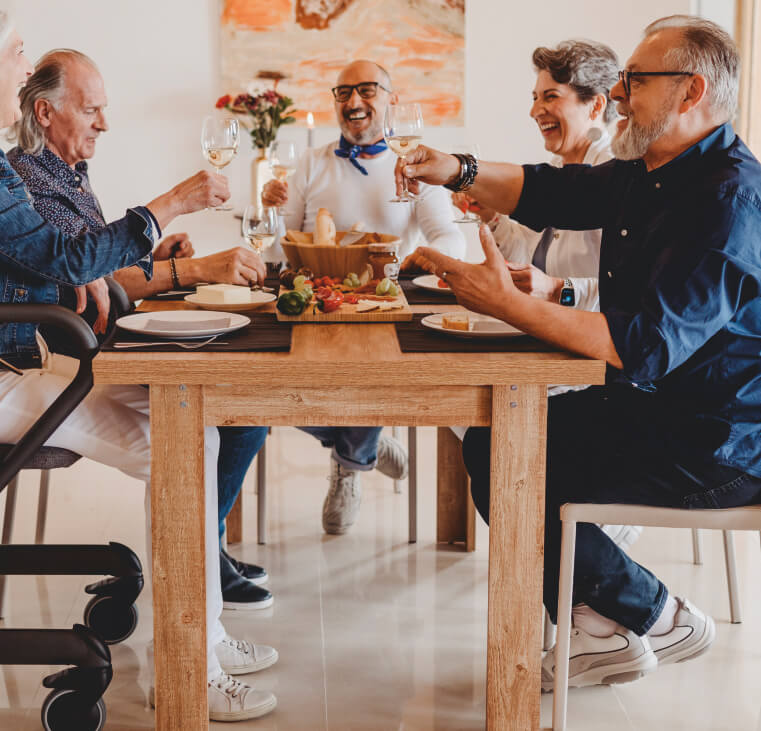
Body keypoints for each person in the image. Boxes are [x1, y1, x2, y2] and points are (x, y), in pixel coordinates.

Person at [0, 6, 275, 721]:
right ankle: (186, 669)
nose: (25, 59)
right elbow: (63, 255)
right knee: (180, 447)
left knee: (188, 427)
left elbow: (42, 260)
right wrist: (172, 203)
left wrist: (81, 273)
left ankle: (205, 634)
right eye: (17, 50)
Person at [395, 14, 761, 690]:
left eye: (635, 81)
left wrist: (506, 301)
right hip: (656, 409)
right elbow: (552, 189)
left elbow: (643, 347)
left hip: (714, 441)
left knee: (511, 452)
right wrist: (456, 168)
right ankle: (605, 629)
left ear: (689, 92)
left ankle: (654, 613)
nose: (618, 93)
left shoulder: (727, 200)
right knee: (497, 439)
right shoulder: (651, 167)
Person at [6, 49, 273, 613]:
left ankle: (208, 549)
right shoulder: (29, 179)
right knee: (231, 409)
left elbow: (100, 269)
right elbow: (82, 275)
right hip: (77, 354)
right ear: (44, 112)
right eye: (91, 109)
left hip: (98, 341)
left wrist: (154, 255)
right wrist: (196, 268)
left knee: (244, 407)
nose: (105, 123)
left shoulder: (67, 173)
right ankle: (201, 564)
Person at [418, 39, 645, 552]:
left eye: (552, 96)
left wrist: (558, 291)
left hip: (590, 358)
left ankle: (590, 525)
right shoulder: (569, 171)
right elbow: (536, 251)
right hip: (550, 340)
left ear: (595, 104)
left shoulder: (613, 175)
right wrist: (493, 218)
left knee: (481, 416)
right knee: (460, 401)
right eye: (536, 96)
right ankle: (559, 541)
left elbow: (625, 287)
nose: (536, 109)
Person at [262, 59, 464, 535]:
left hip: (387, 311)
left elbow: (451, 239)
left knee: (367, 374)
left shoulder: (418, 165)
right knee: (264, 387)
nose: (354, 101)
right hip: (315, 307)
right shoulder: (309, 163)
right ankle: (363, 447)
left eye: (367, 90)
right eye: (343, 92)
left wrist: (428, 258)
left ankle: (350, 464)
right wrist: (271, 212)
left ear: (392, 98)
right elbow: (279, 251)